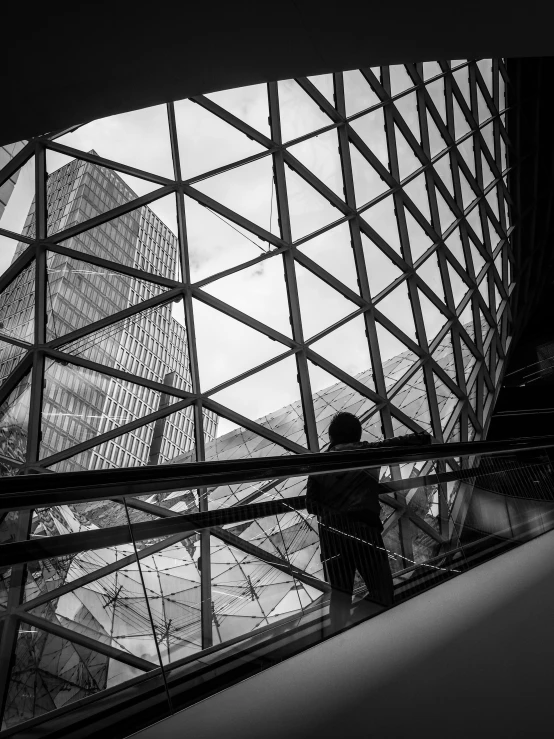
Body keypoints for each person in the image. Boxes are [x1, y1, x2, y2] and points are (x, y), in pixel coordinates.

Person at [306, 412, 432, 633]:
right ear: (357, 434)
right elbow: (400, 444)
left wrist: (334, 507)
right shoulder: (367, 451)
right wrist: (422, 438)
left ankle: (339, 642)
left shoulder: (318, 463)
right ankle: (363, 628)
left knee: (340, 596)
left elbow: (311, 505)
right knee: (382, 592)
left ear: (332, 436)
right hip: (364, 531)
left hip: (332, 537)